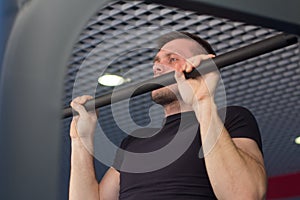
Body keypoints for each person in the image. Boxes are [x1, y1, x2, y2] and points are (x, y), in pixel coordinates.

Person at [68, 32, 267, 200]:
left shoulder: (230, 118)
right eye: (157, 62)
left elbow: (244, 194)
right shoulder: (134, 142)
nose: (157, 67)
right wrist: (80, 140)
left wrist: (203, 101)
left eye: (173, 59)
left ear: (202, 67)